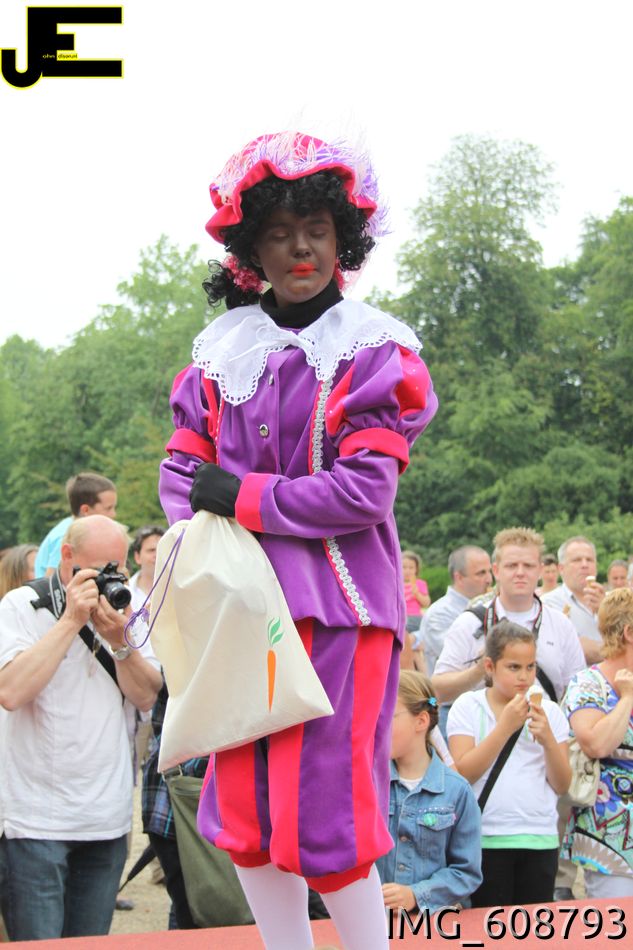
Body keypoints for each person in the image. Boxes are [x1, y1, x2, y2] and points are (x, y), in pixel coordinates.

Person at [158, 130, 438, 950]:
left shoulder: (373, 351)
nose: (300, 249)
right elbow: (179, 479)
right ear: (252, 250)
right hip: (241, 611)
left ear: (341, 238)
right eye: (279, 234)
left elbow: (362, 492)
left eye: (315, 229)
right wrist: (219, 513)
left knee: (325, 808)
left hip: (340, 611)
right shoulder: (222, 354)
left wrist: (240, 497)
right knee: (245, 811)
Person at [0, 516, 162, 941]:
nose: (109, 580)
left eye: (117, 568)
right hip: (34, 822)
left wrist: (121, 643)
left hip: (106, 820)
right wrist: (71, 620)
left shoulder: (130, 610)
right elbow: (12, 691)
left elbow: (147, 696)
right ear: (67, 557)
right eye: (98, 569)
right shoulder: (21, 606)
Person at [448, 619, 571, 906]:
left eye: (531, 666)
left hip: (539, 837)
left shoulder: (550, 711)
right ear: (489, 667)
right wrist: (504, 727)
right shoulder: (468, 706)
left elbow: (563, 784)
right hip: (485, 837)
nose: (524, 677)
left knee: (533, 927)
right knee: (489, 926)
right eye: (513, 667)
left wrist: (548, 740)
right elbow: (463, 774)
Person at [432, 527, 586, 714]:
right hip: (485, 730)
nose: (520, 572)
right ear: (496, 570)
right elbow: (437, 691)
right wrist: (479, 670)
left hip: (544, 729)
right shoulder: (469, 623)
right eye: (511, 565)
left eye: (528, 566)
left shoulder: (561, 624)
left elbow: (578, 692)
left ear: (540, 570)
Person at [376, 671, 481, 917]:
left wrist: (416, 894)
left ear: (421, 721)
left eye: (387, 715)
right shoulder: (369, 784)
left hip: (433, 924)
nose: (378, 725)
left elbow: (467, 872)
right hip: (374, 923)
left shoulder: (457, 791)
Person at [561, 587, 633, 898]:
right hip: (611, 841)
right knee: (618, 927)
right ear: (628, 633)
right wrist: (627, 698)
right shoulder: (588, 684)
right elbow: (596, 744)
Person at [416, 545, 492, 678]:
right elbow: (460, 659)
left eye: (489, 571)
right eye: (481, 573)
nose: (489, 580)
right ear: (459, 577)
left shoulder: (491, 604)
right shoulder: (439, 614)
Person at [34, 471, 117, 578]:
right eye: (108, 508)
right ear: (85, 510)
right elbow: (50, 580)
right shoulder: (65, 536)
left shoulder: (77, 529)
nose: (114, 514)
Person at [542, 535, 605, 664]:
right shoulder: (549, 603)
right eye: (577, 560)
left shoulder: (610, 600)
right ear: (561, 569)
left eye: (589, 560)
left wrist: (606, 610)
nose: (584, 565)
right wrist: (619, 652)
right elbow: (577, 649)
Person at [129, 525, 165, 611]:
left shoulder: (179, 590)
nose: (157, 555)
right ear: (137, 557)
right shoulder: (126, 591)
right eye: (151, 550)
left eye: (161, 549)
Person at [402, 550, 431, 633]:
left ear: (416, 569)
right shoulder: (396, 584)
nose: (407, 571)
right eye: (404, 567)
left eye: (411, 568)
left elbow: (426, 603)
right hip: (400, 617)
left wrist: (417, 594)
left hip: (414, 617)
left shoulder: (420, 583)